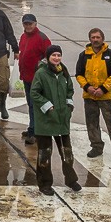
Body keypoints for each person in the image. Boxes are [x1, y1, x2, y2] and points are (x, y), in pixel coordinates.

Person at [30, 45, 81, 195]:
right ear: (48, 57)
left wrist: (69, 105)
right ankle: (45, 184)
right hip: (46, 120)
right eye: (53, 55)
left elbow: (70, 90)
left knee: (67, 153)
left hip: (62, 119)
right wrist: (48, 106)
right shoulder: (41, 73)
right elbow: (34, 92)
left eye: (59, 55)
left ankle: (71, 180)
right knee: (44, 154)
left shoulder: (63, 72)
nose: (57, 58)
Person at [74, 28, 111, 158]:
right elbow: (79, 74)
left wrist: (103, 89)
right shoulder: (84, 55)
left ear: (102, 39)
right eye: (93, 37)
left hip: (106, 97)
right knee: (91, 124)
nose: (95, 40)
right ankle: (96, 147)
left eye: (97, 37)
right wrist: (87, 87)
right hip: (89, 97)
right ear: (90, 39)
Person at [17, 13, 51, 144]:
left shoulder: (42, 38)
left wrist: (40, 70)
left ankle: (36, 132)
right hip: (26, 77)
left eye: (30, 23)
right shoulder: (23, 37)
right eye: (26, 24)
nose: (28, 26)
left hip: (37, 79)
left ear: (35, 24)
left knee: (35, 105)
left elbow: (50, 57)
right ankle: (32, 127)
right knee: (31, 104)